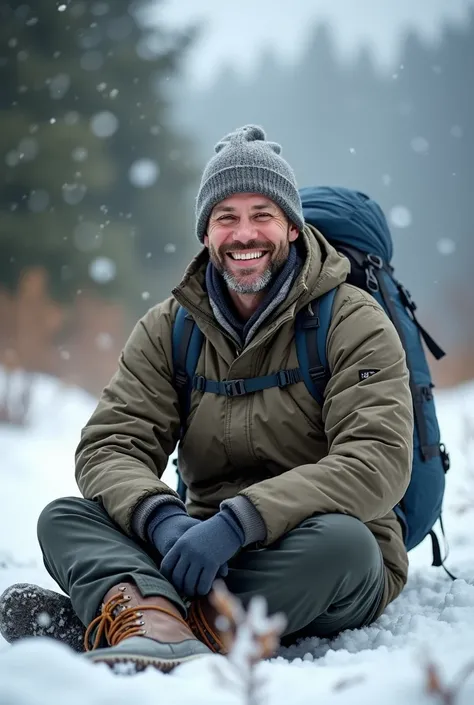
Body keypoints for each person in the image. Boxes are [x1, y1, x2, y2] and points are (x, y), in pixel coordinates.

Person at [0, 125, 413, 672]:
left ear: (291, 227)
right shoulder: (168, 329)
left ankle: (144, 614)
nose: (245, 234)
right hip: (191, 545)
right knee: (64, 518)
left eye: (262, 214)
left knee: (346, 548)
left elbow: (375, 461)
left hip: (311, 548)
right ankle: (173, 621)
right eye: (227, 218)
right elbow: (109, 447)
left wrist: (240, 522)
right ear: (206, 234)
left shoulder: (354, 320)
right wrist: (162, 521)